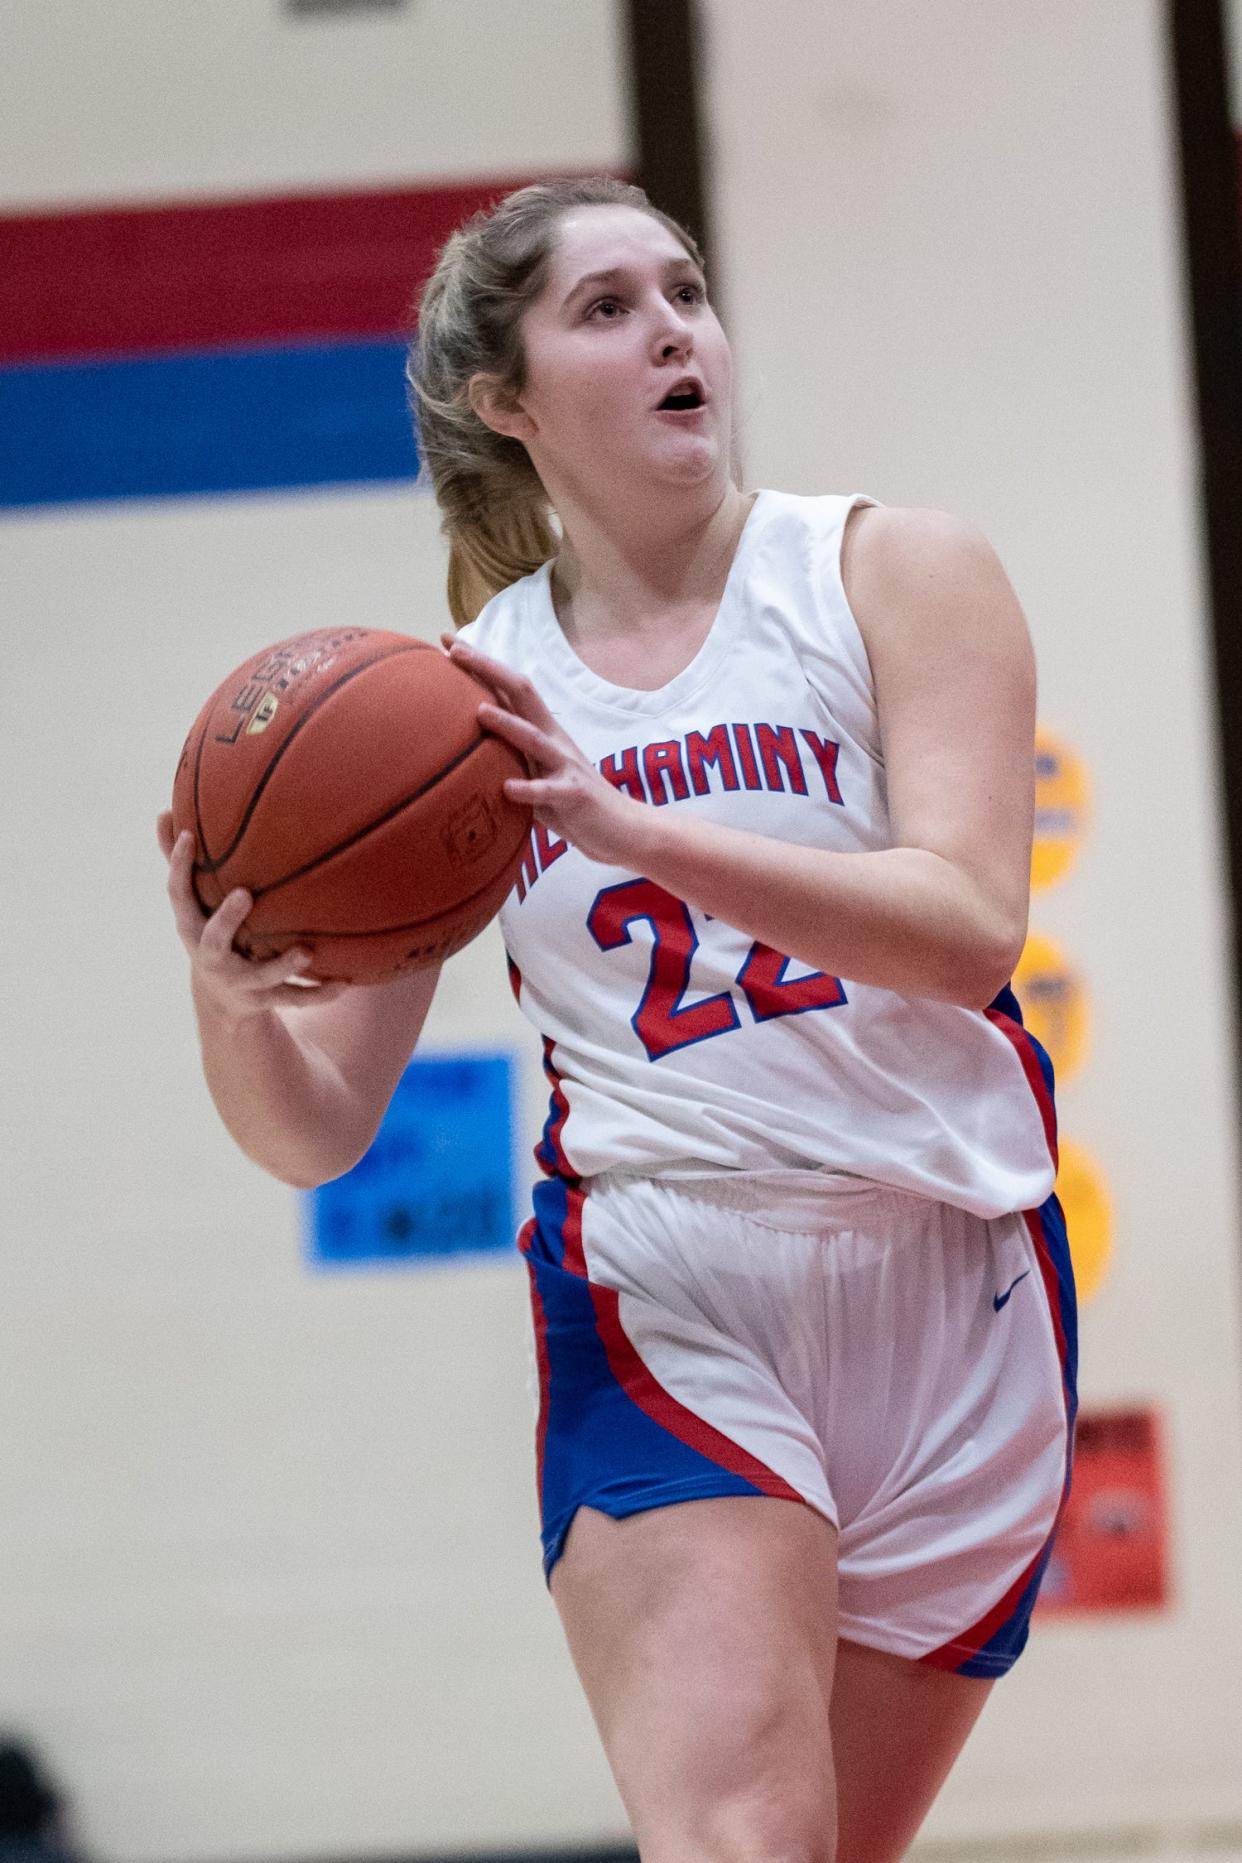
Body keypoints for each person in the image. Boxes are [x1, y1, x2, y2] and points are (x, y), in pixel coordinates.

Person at [159, 174, 1076, 1863]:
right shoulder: (460, 708)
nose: (671, 330)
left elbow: (963, 934)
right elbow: (316, 1127)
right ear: (507, 406)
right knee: (738, 1845)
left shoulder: (889, 570)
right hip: (670, 1288)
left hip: (961, 1285)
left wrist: (633, 829)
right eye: (606, 309)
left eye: (683, 291)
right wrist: (232, 1005)